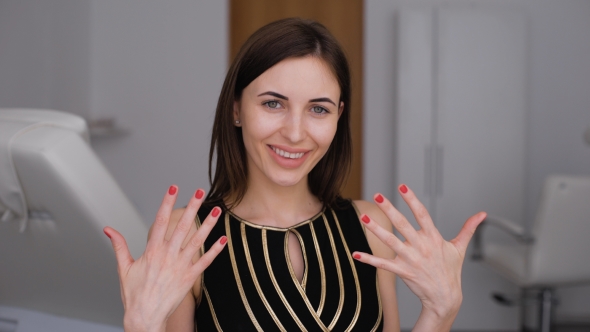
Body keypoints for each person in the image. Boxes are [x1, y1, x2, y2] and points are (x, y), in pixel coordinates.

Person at [103, 18, 486, 331]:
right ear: (236, 109)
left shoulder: (372, 226)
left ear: (338, 115)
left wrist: (441, 312)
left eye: (318, 109)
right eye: (273, 103)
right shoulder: (185, 236)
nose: (295, 133)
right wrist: (141, 326)